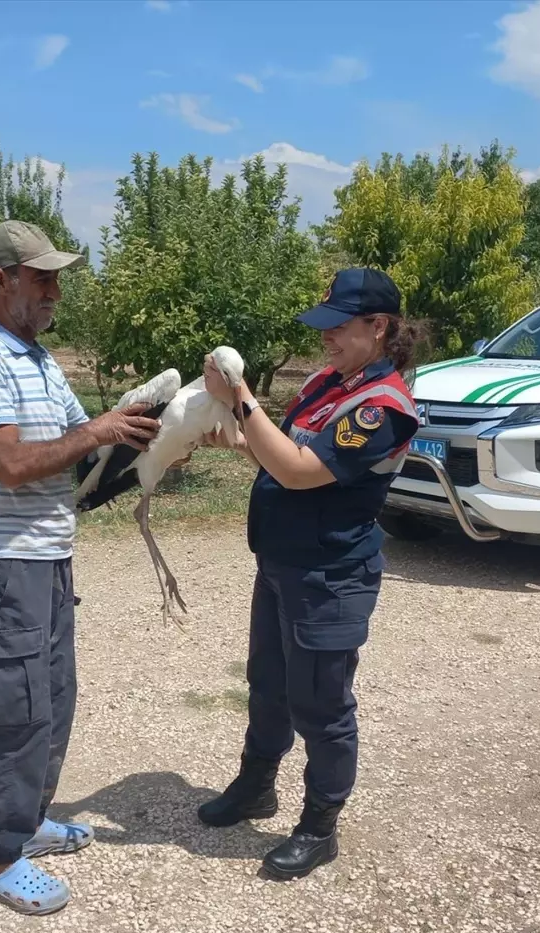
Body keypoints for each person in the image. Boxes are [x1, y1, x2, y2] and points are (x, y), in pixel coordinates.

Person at [0, 219, 165, 915]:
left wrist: (149, 447)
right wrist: (97, 429)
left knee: (53, 701)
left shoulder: (37, 359)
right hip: (9, 565)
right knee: (17, 711)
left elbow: (82, 457)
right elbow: (10, 464)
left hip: (50, 558)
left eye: (57, 278)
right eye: (43, 278)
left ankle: (30, 821)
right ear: (2, 280)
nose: (56, 291)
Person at [196, 266, 422, 880]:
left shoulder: (382, 408)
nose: (324, 338)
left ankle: (320, 825)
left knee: (321, 705)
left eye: (338, 327)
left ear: (378, 328)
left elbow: (299, 470)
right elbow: (282, 449)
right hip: (281, 562)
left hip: (330, 575)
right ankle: (256, 786)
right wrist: (233, 438)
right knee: (267, 684)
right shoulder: (331, 381)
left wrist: (239, 396)